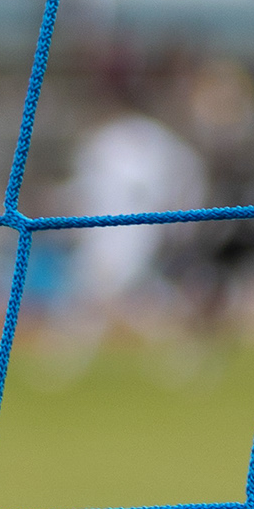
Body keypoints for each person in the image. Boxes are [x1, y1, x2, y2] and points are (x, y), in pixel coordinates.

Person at [43, 91, 205, 374]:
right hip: (107, 230)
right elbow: (88, 191)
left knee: (99, 289)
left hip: (128, 231)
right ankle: (182, 352)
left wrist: (180, 214)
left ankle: (64, 357)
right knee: (127, 293)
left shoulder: (129, 140)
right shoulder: (110, 142)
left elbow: (185, 173)